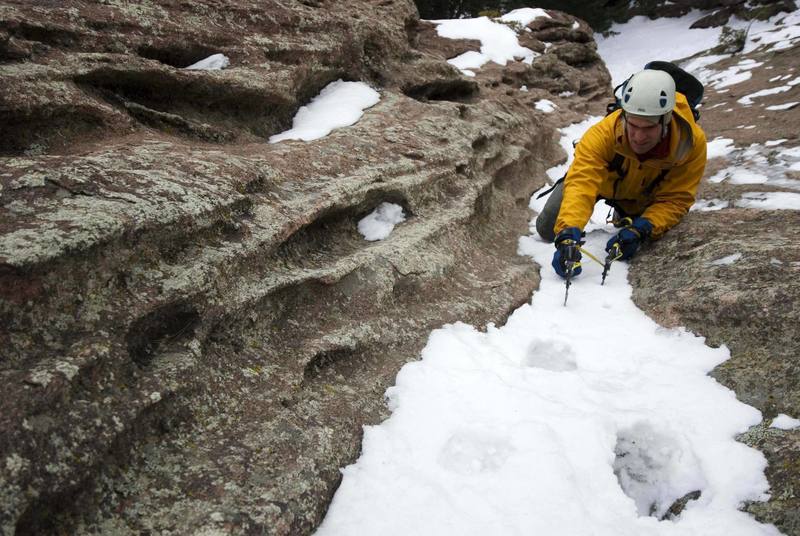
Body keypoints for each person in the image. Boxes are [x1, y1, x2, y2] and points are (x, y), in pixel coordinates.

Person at [535, 68, 707, 278]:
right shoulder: (603, 134)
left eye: (649, 128)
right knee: (547, 228)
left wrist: (643, 229)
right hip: (602, 183)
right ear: (624, 115)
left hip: (644, 195)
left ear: (666, 120)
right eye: (633, 125)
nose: (638, 137)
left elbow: (676, 199)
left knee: (631, 234)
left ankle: (626, 216)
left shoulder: (689, 144)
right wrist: (567, 235)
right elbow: (583, 183)